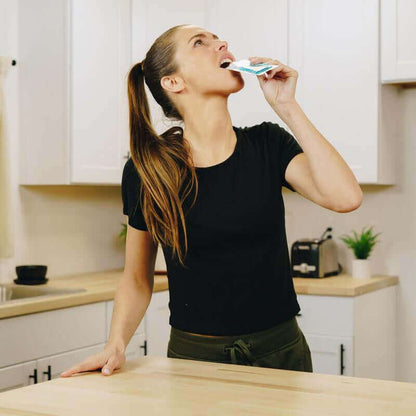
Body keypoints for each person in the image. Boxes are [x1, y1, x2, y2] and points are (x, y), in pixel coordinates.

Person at [60, 24, 363, 378]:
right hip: (194, 359)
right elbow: (137, 279)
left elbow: (346, 197)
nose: (222, 43)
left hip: (280, 353)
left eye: (218, 39)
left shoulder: (268, 144)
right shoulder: (149, 170)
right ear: (173, 82)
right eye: (200, 43)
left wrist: (287, 105)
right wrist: (115, 344)